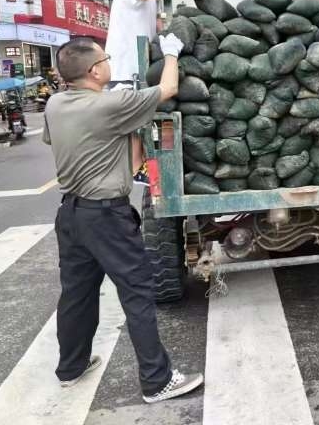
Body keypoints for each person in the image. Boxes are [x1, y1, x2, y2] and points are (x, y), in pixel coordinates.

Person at [43, 34, 204, 403]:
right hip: (106, 218)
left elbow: (83, 143)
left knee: (77, 294)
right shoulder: (109, 106)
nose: (109, 62)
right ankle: (156, 380)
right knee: (138, 295)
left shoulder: (54, 104)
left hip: (71, 214)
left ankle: (71, 366)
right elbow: (168, 88)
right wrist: (171, 53)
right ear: (95, 70)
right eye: (106, 59)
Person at [105, 0, 202, 185]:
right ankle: (136, 168)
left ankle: (150, 165)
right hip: (124, 66)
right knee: (132, 120)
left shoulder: (153, 0)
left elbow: (157, 26)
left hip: (142, 68)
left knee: (150, 117)